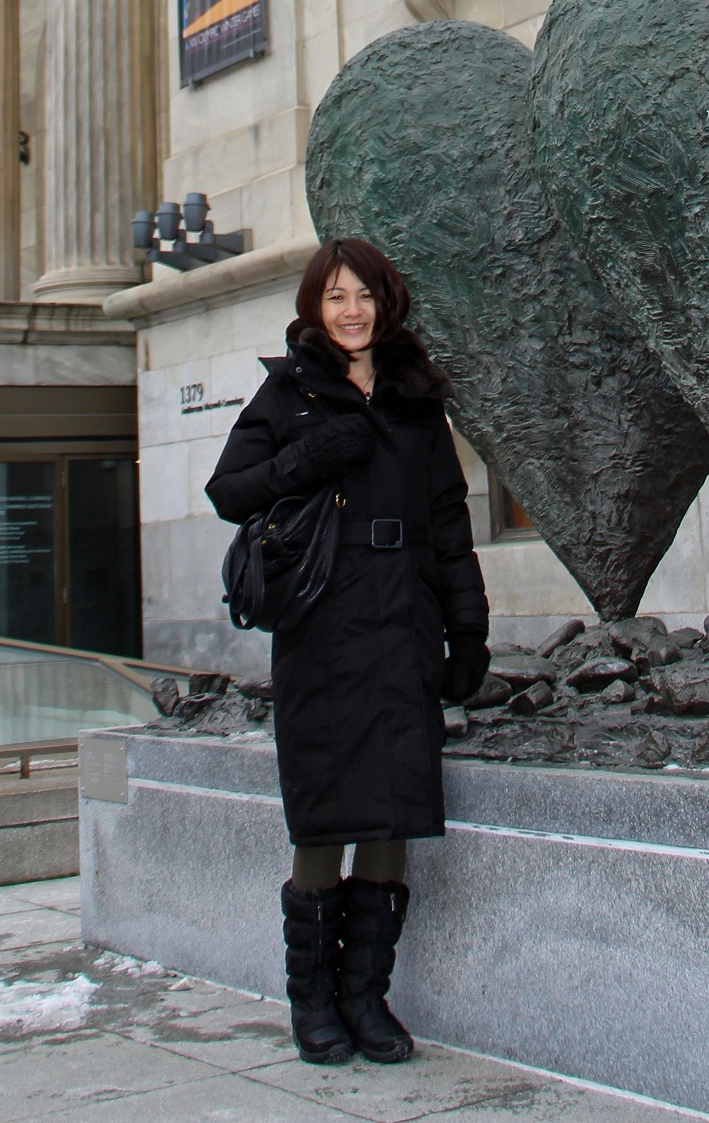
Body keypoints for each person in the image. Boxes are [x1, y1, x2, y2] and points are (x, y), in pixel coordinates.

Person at [206, 240, 489, 1066]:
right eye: (334, 298)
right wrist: (309, 455)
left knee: (394, 813)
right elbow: (229, 492)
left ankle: (369, 1000)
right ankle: (315, 1005)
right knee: (327, 813)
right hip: (324, 630)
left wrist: (466, 629)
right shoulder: (290, 392)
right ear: (313, 309)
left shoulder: (414, 400)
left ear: (385, 302)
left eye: (363, 295)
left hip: (402, 621)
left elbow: (449, 524)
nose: (351, 311)